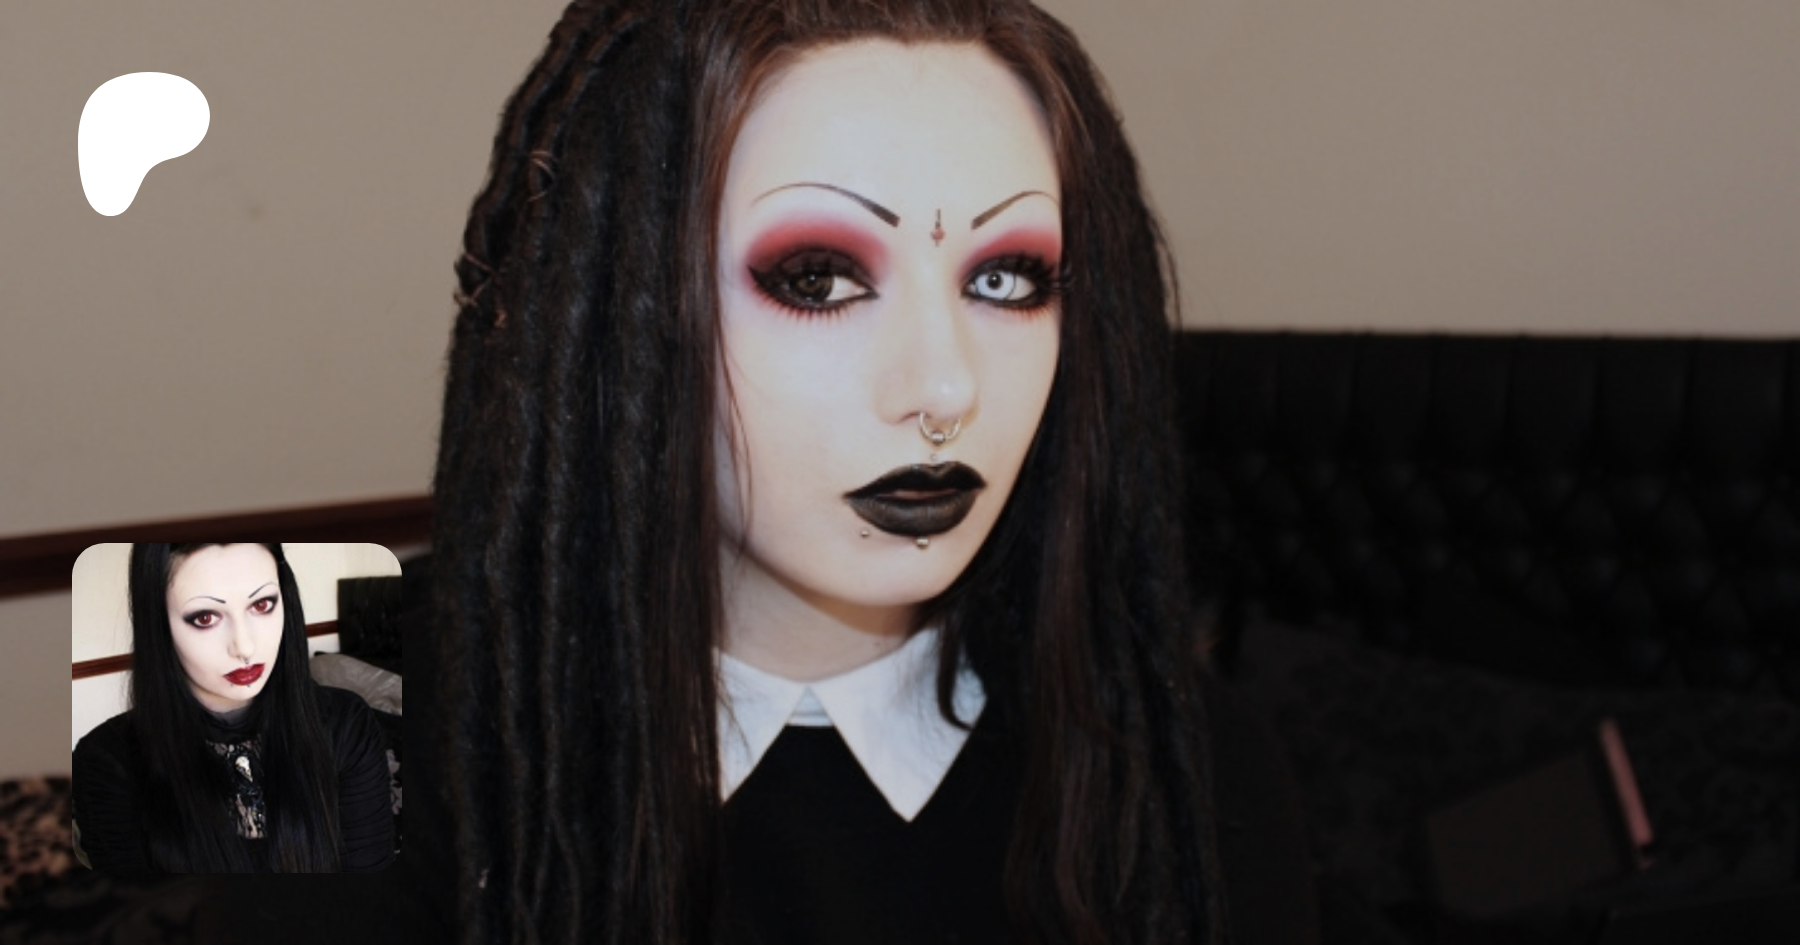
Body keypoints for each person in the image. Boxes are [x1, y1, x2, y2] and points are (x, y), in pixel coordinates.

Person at [430, 0, 1315, 942]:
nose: (944, 389)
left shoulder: (1190, 768)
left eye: (1005, 278)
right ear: (618, 296)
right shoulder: (349, 705)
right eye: (817, 279)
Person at [71, 543, 395, 873]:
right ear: (158, 624)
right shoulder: (107, 761)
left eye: (262, 604)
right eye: (205, 617)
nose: (245, 646)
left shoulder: (346, 725)